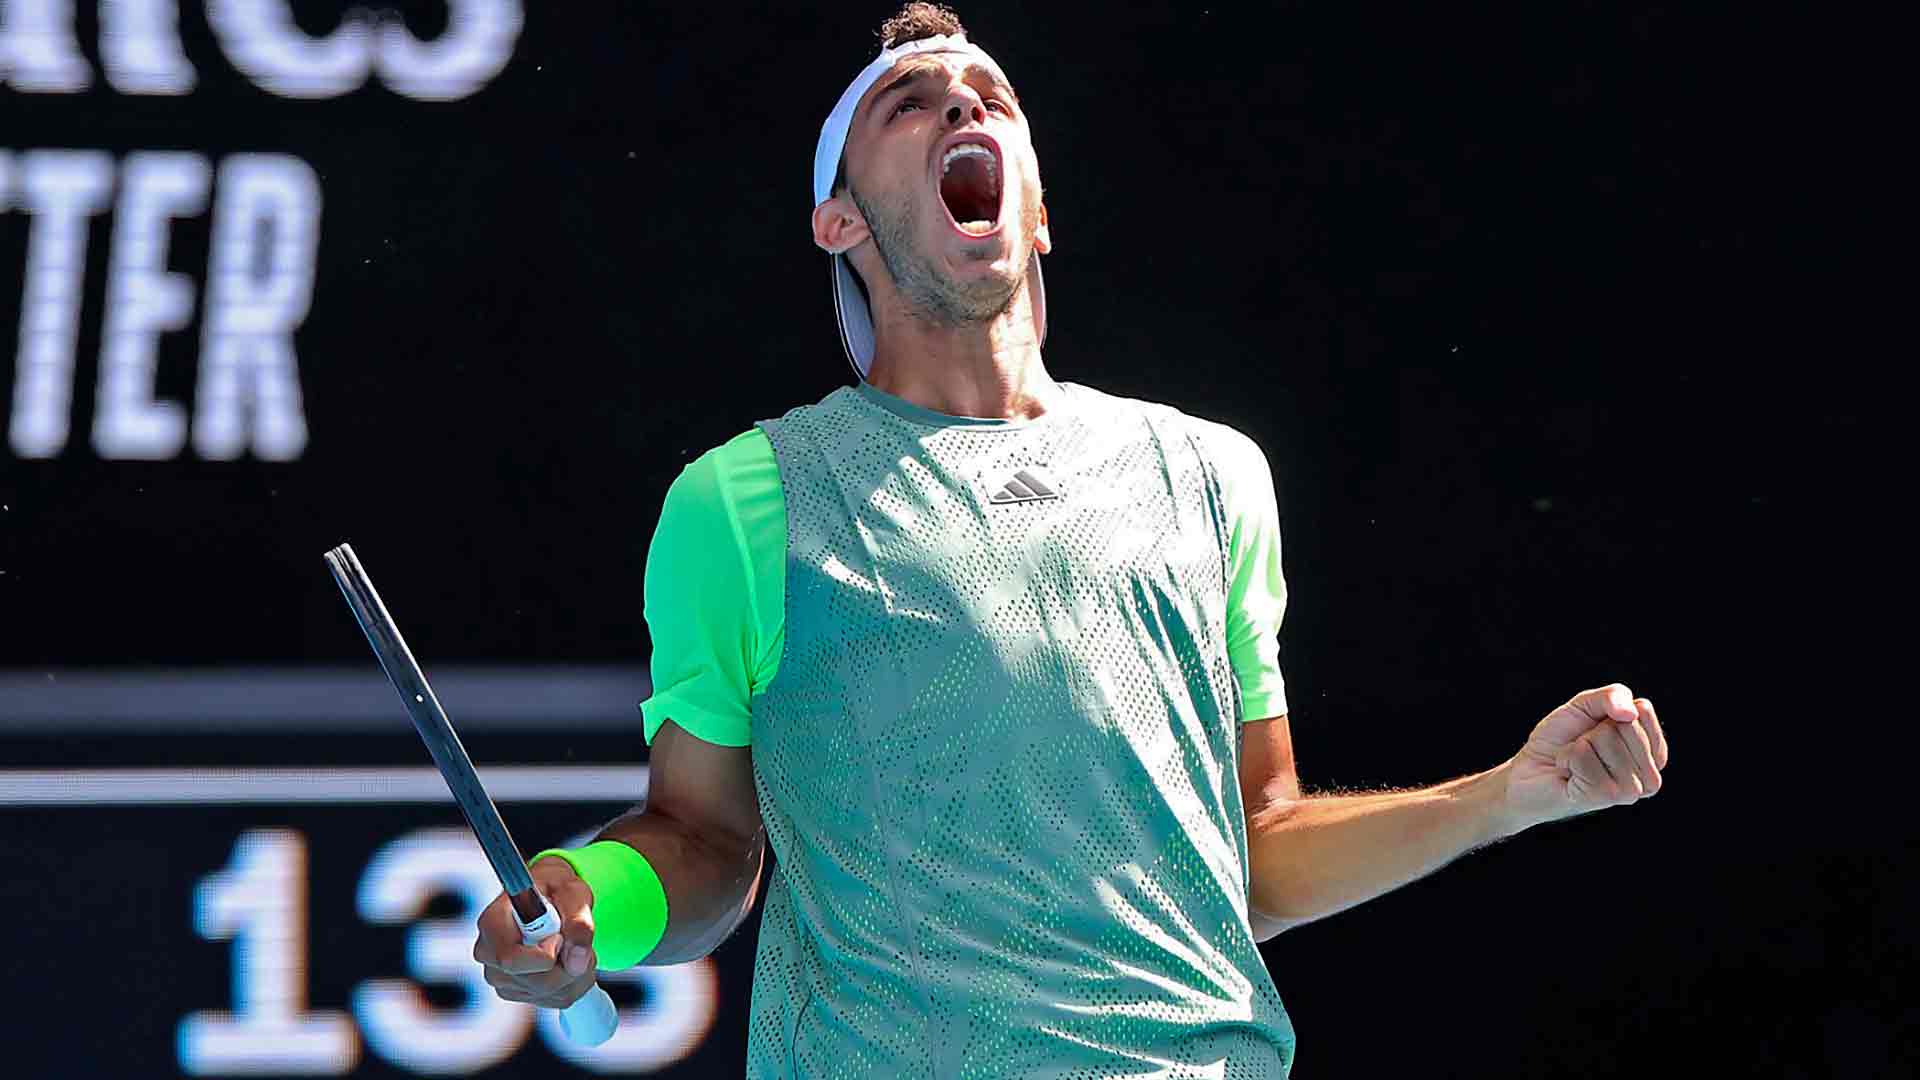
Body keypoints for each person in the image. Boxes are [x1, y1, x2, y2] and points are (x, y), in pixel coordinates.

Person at [472, 5, 1671, 1076]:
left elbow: (1253, 848)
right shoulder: (743, 502)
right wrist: (596, 902)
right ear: (838, 221)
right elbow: (708, 842)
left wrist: (1505, 797)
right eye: (908, 103)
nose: (959, 101)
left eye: (989, 96)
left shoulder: (1212, 477)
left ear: (1038, 212)